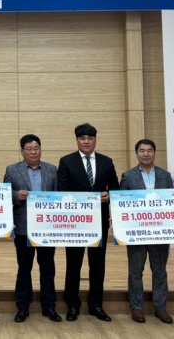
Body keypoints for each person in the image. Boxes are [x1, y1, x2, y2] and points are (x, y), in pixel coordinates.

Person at [57, 123, 119, 322]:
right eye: (82, 138)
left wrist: (109, 195)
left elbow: (116, 189)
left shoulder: (106, 162)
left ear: (95, 140)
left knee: (98, 266)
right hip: (75, 222)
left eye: (90, 138)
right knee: (73, 265)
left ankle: (96, 305)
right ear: (77, 140)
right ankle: (72, 305)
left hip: (99, 222)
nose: (86, 141)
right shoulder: (66, 161)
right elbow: (62, 191)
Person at [4, 134, 60, 323]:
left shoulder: (52, 169)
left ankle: (49, 306)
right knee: (24, 268)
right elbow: (4, 194)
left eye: (36, 148)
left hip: (47, 227)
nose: (33, 152)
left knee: (48, 268)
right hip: (23, 227)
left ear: (40, 150)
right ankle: (22, 307)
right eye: (29, 149)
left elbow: (59, 195)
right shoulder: (12, 170)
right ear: (22, 151)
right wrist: (15, 195)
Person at [119, 139, 174, 324]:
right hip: (136, 233)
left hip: (160, 232)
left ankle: (161, 308)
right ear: (136, 153)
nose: (145, 154)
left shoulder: (165, 176)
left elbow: (172, 201)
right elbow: (121, 203)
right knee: (135, 271)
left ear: (154, 153)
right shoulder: (128, 176)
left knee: (160, 271)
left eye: (149, 150)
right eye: (142, 150)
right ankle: (136, 307)